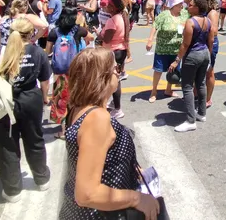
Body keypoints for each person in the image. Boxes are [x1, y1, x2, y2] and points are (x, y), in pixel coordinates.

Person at [58, 48, 160, 220]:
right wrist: (138, 199)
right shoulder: (97, 118)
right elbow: (87, 194)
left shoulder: (78, 108)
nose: (118, 74)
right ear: (101, 76)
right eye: (116, 69)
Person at [0, 18, 51, 202]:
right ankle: (42, 179)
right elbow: (45, 81)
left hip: (3, 103)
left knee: (6, 144)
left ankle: (13, 190)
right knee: (35, 139)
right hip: (31, 99)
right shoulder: (38, 52)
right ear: (30, 34)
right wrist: (45, 97)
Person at [168, 0, 215, 133]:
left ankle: (190, 121)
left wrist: (176, 61)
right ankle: (201, 113)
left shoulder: (190, 22)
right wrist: (208, 56)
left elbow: (185, 44)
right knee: (200, 83)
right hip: (204, 53)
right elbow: (211, 40)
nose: (188, 6)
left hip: (192, 56)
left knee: (187, 87)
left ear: (197, 8)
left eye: (191, 5)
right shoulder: (208, 21)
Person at [46, 6, 88, 139]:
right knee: (76, 98)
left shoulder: (54, 32)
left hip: (59, 72)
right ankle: (77, 126)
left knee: (61, 99)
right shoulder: (79, 30)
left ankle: (63, 131)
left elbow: (47, 52)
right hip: (76, 70)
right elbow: (91, 37)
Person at [145, 0, 187, 102]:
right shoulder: (164, 14)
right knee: (158, 70)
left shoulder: (184, 14)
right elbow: (155, 25)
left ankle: (169, 90)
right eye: (179, 5)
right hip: (162, 48)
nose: (181, 7)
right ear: (173, 6)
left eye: (181, 4)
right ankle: (153, 91)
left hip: (176, 49)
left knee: (173, 72)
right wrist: (150, 39)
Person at [102, 0, 130, 119]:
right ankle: (115, 103)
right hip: (121, 50)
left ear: (113, 8)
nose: (106, 7)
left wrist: (99, 32)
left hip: (113, 52)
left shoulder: (113, 20)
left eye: (108, 5)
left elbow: (106, 39)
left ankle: (117, 108)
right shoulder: (121, 17)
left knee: (114, 80)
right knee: (116, 78)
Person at [201, 0, 220, 108]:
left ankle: (208, 98)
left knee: (209, 71)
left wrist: (209, 48)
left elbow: (214, 31)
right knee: (201, 71)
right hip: (204, 42)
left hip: (210, 43)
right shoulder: (206, 12)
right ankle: (197, 93)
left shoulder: (212, 13)